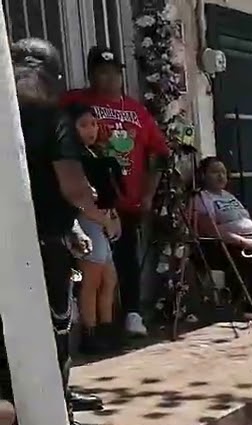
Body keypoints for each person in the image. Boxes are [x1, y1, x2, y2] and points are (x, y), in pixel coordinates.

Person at [6, 38, 113, 425]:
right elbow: (71, 185)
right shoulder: (52, 119)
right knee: (54, 330)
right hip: (42, 244)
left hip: (13, 240)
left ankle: (32, 411)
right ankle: (58, 423)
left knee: (10, 337)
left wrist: (73, 226)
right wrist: (100, 213)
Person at [64, 47, 169, 340]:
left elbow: (160, 153)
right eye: (102, 72)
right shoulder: (74, 102)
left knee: (121, 263)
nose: (110, 78)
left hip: (125, 199)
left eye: (115, 72)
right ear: (91, 74)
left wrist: (148, 194)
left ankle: (129, 316)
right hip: (86, 202)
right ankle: (89, 328)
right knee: (91, 266)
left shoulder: (136, 111)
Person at [193, 157, 252, 321]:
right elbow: (210, 230)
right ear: (203, 175)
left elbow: (247, 222)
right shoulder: (202, 198)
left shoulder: (229, 196)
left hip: (250, 240)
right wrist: (249, 243)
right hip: (225, 245)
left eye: (223, 172)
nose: (220, 176)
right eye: (214, 172)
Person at [67, 102, 124, 356]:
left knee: (109, 278)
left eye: (93, 124)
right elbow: (80, 196)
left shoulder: (96, 154)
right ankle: (90, 332)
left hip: (103, 219)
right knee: (92, 279)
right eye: (83, 125)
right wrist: (102, 219)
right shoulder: (72, 158)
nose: (90, 130)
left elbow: (107, 193)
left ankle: (106, 326)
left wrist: (113, 215)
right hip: (87, 221)